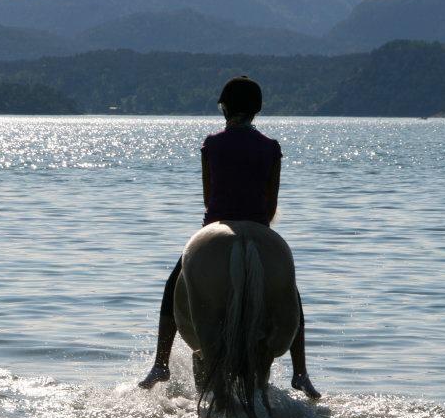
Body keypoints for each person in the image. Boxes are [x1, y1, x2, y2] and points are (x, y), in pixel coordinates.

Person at [137, 76, 320, 399]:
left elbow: (209, 198)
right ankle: (301, 372)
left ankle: (160, 363)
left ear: (225, 107)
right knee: (290, 292)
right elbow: (271, 200)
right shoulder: (270, 147)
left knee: (173, 283)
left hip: (216, 224)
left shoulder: (213, 143)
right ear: (257, 110)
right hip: (260, 228)